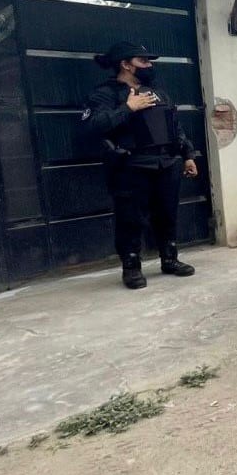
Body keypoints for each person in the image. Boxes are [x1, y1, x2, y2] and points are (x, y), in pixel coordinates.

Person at [84, 41, 200, 289]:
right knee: (130, 219)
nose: (149, 66)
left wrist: (188, 154)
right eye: (143, 61)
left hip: (167, 162)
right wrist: (127, 108)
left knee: (167, 214)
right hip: (132, 165)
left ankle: (170, 259)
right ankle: (131, 268)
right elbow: (93, 126)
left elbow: (174, 125)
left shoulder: (156, 91)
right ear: (126, 64)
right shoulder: (106, 93)